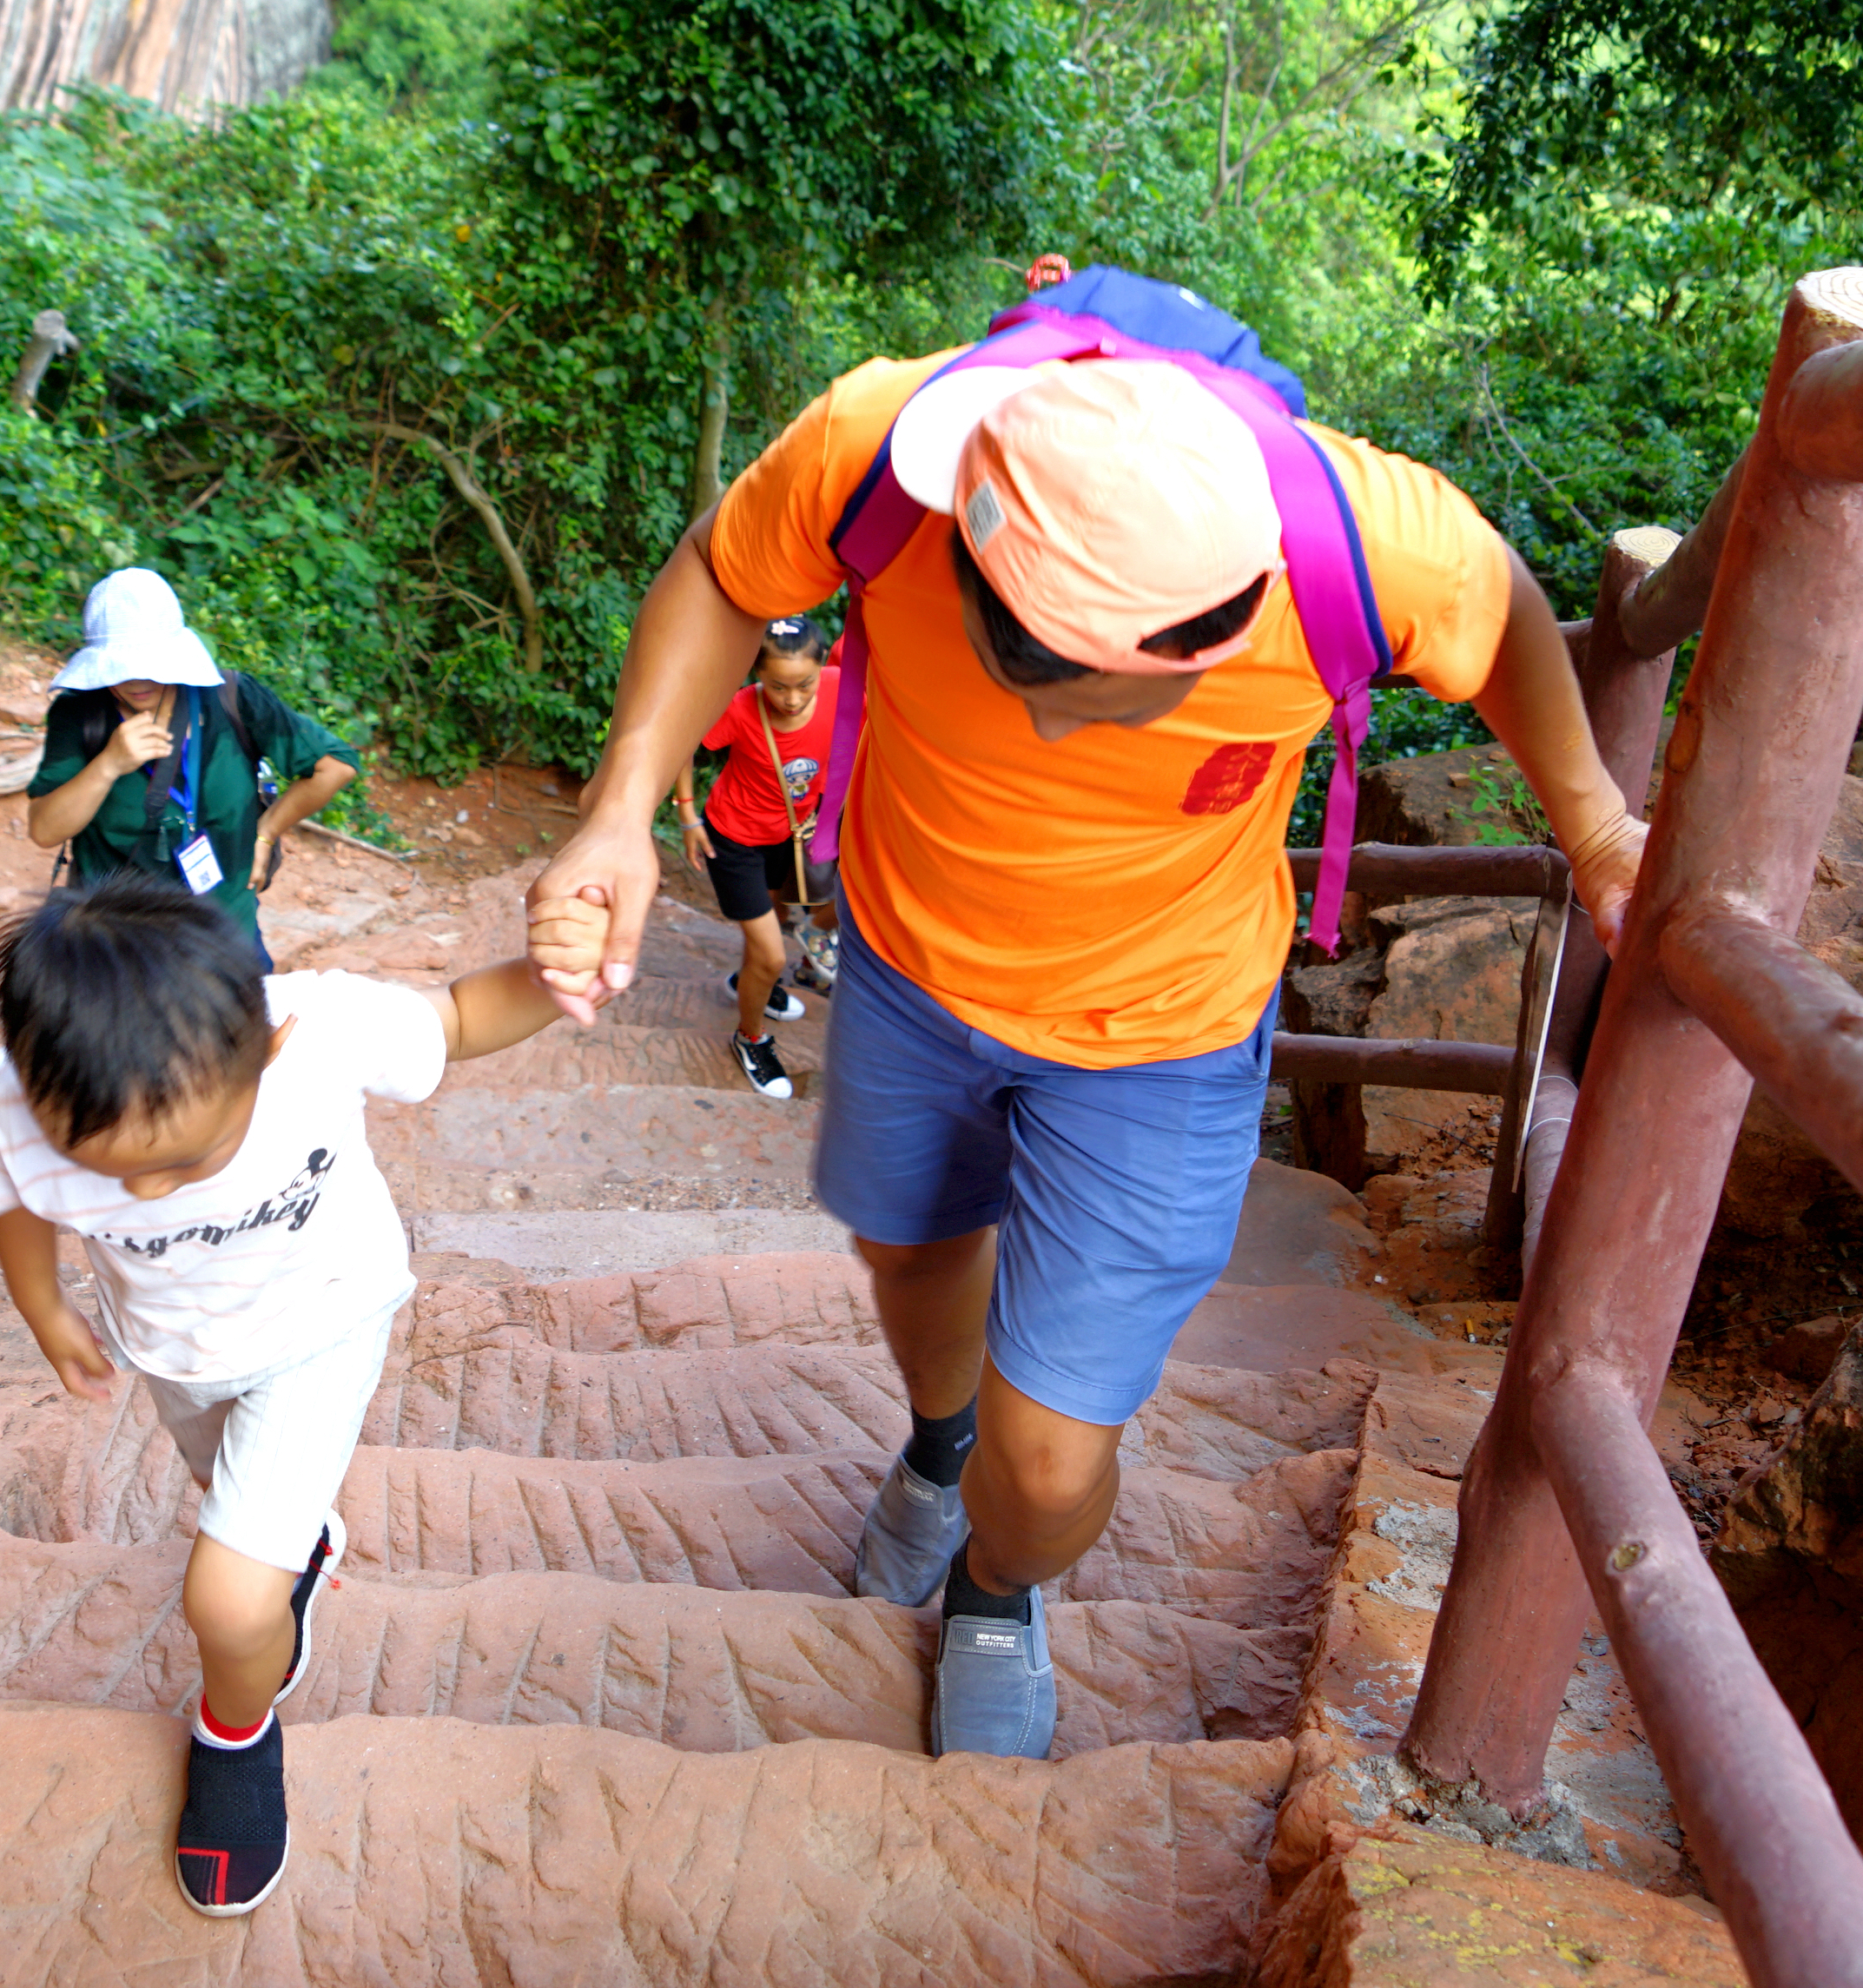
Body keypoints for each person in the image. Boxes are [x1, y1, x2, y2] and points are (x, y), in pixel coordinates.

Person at [525, 321, 1648, 1761]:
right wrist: (622, 803)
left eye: (1079, 692)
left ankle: (1000, 1577)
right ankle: (937, 1453)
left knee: (1048, 1462)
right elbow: (724, 570)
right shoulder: (887, 443)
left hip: (1161, 1032)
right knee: (913, 1258)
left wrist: (1599, 822)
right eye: (1001, 647)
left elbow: (1497, 611)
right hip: (912, 967)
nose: (1035, 724)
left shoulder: (1364, 547)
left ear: (1212, 626)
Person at [0, 869, 597, 1917]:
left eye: (185, 1158)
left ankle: (234, 1733)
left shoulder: (316, 1024)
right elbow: (15, 1203)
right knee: (225, 1490)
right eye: (111, 1171)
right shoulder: (15, 1095)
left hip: (323, 1327)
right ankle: (301, 1542)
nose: (151, 1193)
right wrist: (43, 1305)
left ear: (270, 1046)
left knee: (225, 1595)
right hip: (175, 1351)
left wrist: (557, 971)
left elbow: (460, 1013)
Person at [25, 568, 360, 960]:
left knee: (241, 1021)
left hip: (223, 933)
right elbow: (45, 831)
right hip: (117, 944)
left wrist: (266, 833)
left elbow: (335, 765)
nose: (138, 678)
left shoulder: (230, 697)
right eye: (122, 667)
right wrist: (109, 765)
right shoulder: (80, 714)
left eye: (152, 662)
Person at [673, 615, 844, 1099]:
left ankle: (754, 984)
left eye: (804, 684)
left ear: (821, 669)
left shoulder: (840, 690)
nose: (791, 699)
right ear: (757, 676)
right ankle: (750, 1038)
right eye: (778, 686)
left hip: (789, 836)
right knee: (772, 951)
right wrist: (687, 816)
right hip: (734, 839)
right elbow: (682, 741)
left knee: (778, 918)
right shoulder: (741, 709)